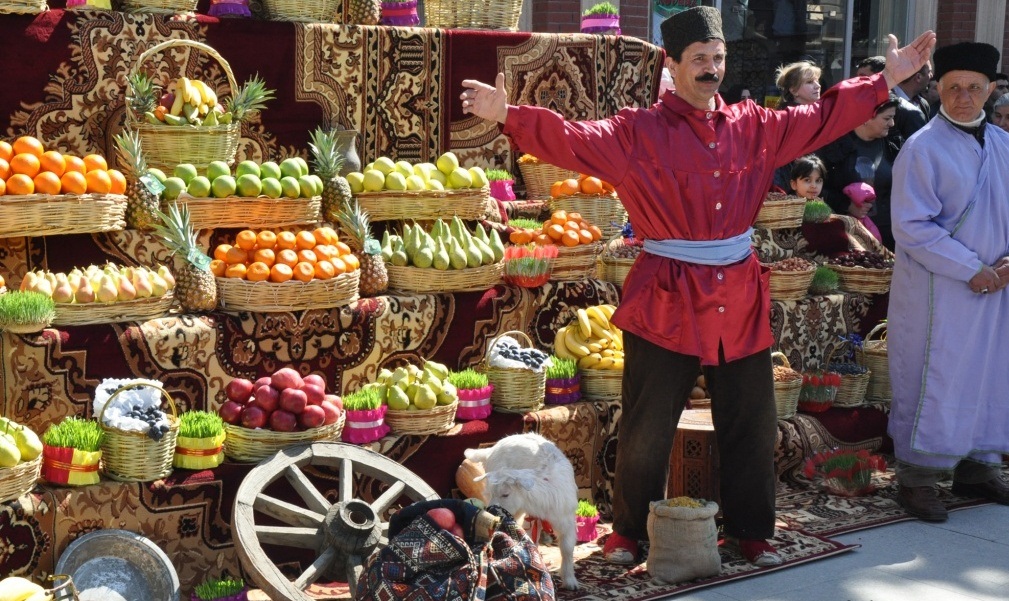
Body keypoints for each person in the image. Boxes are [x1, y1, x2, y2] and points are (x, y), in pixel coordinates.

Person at [459, 6, 934, 567]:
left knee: (751, 422)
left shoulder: (755, 126)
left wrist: (881, 81)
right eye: (700, 59)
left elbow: (822, 117)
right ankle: (628, 533)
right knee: (645, 425)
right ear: (673, 64)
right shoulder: (636, 132)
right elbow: (571, 138)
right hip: (665, 293)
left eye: (719, 58)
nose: (712, 69)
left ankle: (752, 530)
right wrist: (508, 113)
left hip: (738, 294)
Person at [888, 41, 1009, 523]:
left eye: (974, 88)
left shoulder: (1003, 144)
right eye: (954, 87)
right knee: (933, 377)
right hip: (939, 289)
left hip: (998, 286)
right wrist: (971, 270)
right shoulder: (921, 148)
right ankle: (917, 479)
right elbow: (912, 227)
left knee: (989, 373)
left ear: (992, 90)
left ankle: (977, 468)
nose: (963, 96)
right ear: (938, 88)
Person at [819, 95, 900, 249]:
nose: (892, 123)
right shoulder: (835, 146)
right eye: (887, 118)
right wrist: (846, 205)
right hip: (846, 238)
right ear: (866, 117)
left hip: (888, 236)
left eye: (893, 117)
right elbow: (814, 188)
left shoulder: (892, 145)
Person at [770, 60, 822, 190]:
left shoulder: (812, 116)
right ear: (793, 90)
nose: (817, 86)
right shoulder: (789, 118)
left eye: (817, 80)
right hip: (790, 191)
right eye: (809, 82)